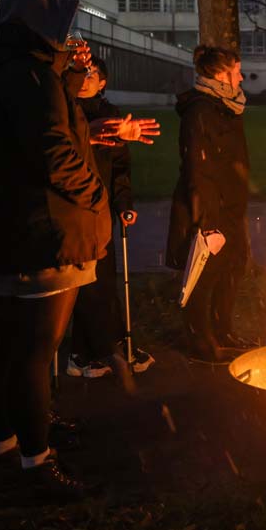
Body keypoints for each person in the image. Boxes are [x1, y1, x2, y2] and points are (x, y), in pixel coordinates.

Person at [0, 0, 109, 496]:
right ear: (44, 22)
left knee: (8, 346)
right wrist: (97, 197)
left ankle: (5, 451)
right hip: (42, 234)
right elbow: (54, 152)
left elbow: (30, 128)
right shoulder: (30, 76)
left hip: (2, 230)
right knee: (35, 352)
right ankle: (38, 466)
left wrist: (69, 84)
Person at [67, 58, 155, 379]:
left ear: (102, 82)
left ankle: (100, 347)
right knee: (86, 282)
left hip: (100, 207)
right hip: (74, 207)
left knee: (103, 279)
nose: (87, 78)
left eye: (93, 74)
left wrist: (123, 203)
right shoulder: (65, 112)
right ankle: (95, 350)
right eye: (82, 73)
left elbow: (119, 168)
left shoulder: (111, 116)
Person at [166, 45, 251, 362]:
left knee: (231, 267)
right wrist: (208, 223)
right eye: (237, 70)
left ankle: (222, 330)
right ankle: (201, 340)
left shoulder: (224, 106)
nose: (241, 77)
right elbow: (198, 170)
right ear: (221, 74)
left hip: (229, 206)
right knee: (204, 273)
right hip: (210, 210)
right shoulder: (202, 111)